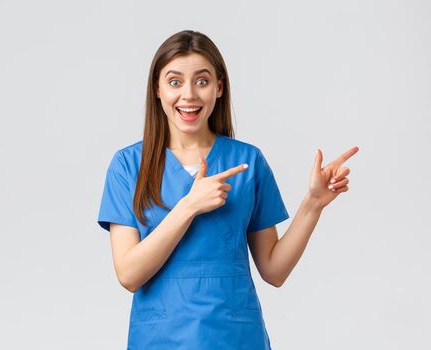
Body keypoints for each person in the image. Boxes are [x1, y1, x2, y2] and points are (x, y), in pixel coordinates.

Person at [96, 30, 358, 349]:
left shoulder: (247, 161)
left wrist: (313, 204)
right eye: (175, 81)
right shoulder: (128, 166)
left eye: (202, 81)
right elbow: (129, 274)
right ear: (157, 89)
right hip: (161, 340)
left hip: (235, 338)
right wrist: (189, 205)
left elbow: (274, 270)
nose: (189, 95)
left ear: (219, 87)